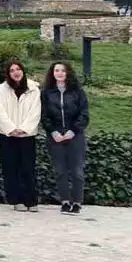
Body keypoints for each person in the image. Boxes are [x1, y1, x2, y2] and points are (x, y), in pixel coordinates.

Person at [41, 62, 90, 215]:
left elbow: (84, 114)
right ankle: (65, 201)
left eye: (63, 70)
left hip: (74, 136)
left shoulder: (78, 92)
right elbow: (44, 116)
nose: (60, 73)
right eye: (57, 70)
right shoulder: (46, 93)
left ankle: (77, 202)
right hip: (55, 137)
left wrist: (73, 130)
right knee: (60, 171)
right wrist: (53, 131)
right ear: (52, 73)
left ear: (68, 73)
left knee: (77, 171)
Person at [0, 60, 42, 212]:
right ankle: (16, 200)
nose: (16, 72)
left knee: (28, 168)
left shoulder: (34, 89)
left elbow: (36, 111)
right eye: (12, 70)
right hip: (7, 135)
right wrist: (11, 129)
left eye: (18, 69)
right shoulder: (1, 89)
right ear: (8, 74)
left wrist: (24, 129)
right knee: (11, 167)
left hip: (27, 135)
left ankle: (31, 200)